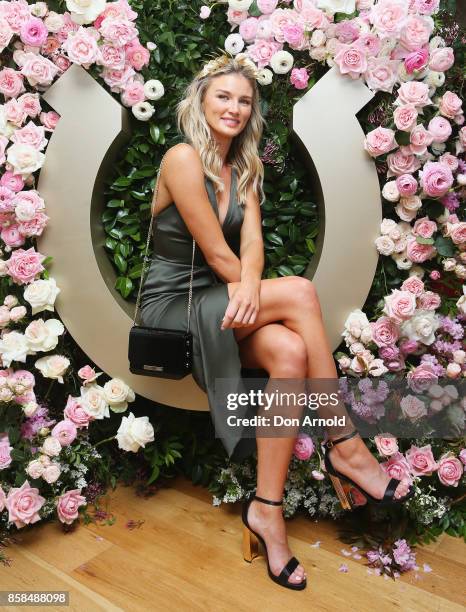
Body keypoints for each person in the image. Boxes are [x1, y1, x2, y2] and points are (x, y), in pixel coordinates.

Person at [139, 53, 413, 591]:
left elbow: (252, 249)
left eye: (245, 100)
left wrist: (246, 286)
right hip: (175, 306)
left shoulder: (241, 167)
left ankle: (267, 508)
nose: (235, 108)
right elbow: (218, 254)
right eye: (224, 96)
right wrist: (242, 286)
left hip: (225, 301)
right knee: (302, 291)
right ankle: (345, 443)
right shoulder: (181, 159)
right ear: (200, 100)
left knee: (289, 353)